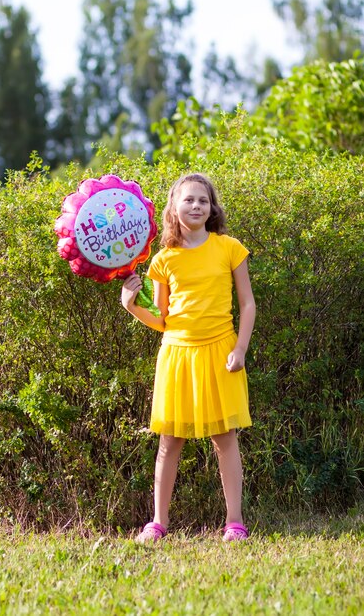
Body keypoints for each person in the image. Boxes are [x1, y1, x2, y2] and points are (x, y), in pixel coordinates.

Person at [121, 173, 256, 543]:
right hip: (177, 355)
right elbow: (162, 320)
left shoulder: (229, 247)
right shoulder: (163, 260)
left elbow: (247, 304)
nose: (196, 206)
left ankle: (235, 523)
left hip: (221, 351)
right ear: (173, 209)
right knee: (169, 440)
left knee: (224, 437)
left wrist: (240, 348)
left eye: (203, 200)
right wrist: (131, 306)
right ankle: (157, 523)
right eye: (188, 200)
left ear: (212, 208)